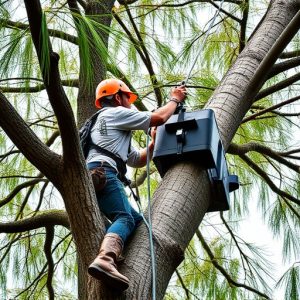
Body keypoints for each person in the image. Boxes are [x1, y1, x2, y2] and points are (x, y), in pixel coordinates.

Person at [87, 78, 187, 291]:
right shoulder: (115, 113)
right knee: (125, 217)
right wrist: (175, 99)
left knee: (135, 219)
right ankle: (106, 258)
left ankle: (113, 253)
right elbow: (160, 117)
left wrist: (152, 142)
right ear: (117, 97)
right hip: (104, 171)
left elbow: (136, 159)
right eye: (127, 98)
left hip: (96, 172)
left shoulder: (108, 123)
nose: (130, 103)